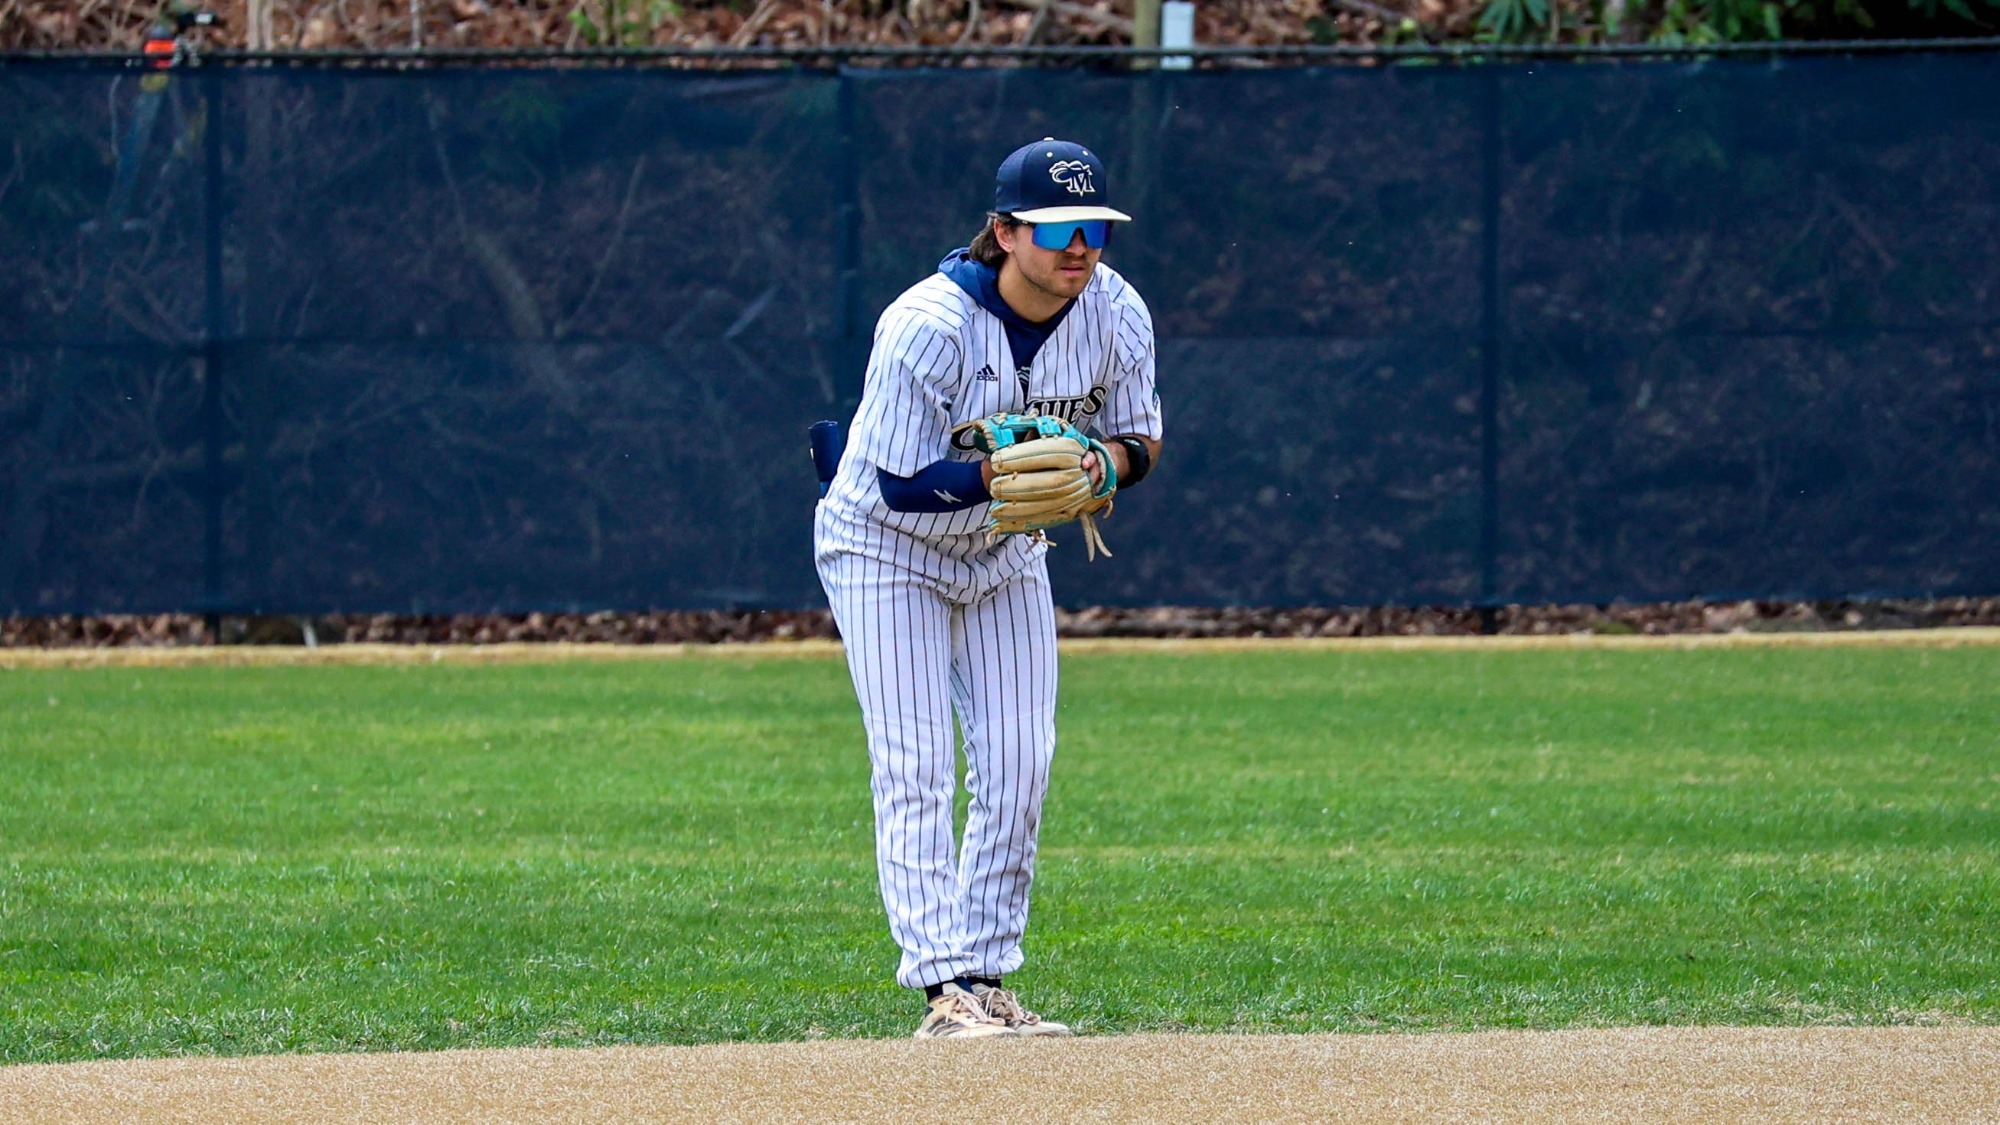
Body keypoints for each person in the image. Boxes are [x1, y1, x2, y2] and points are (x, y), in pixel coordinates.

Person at [812, 138, 1164, 1039]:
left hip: (1005, 551)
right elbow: (898, 486)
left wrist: (1101, 464)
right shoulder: (928, 325)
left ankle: (986, 973)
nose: (1080, 247)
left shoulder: (1116, 311)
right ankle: (942, 992)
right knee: (918, 763)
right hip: (886, 549)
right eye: (1056, 229)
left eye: (1094, 229)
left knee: (1020, 762)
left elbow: (1142, 440)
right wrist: (998, 474)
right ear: (1004, 232)